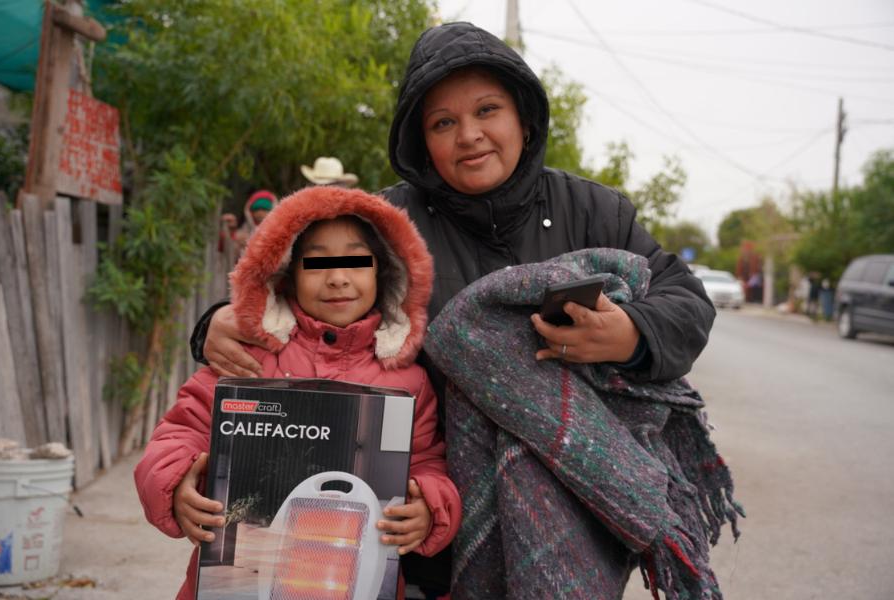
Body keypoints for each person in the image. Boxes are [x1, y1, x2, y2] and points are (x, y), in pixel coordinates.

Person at [190, 21, 721, 599]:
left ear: (523, 116)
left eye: (487, 110)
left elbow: (684, 300)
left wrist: (632, 334)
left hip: (570, 519)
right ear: (422, 142)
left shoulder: (594, 211)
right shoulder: (386, 224)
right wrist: (217, 320)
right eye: (444, 122)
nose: (469, 135)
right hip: (420, 523)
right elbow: (312, 295)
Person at [136, 186, 461, 600]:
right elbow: (179, 432)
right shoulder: (246, 360)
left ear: (386, 271)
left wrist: (428, 508)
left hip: (353, 581)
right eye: (317, 262)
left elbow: (429, 464)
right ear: (286, 272)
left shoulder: (407, 381)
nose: (338, 277)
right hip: (241, 583)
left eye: (357, 261)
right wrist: (175, 482)